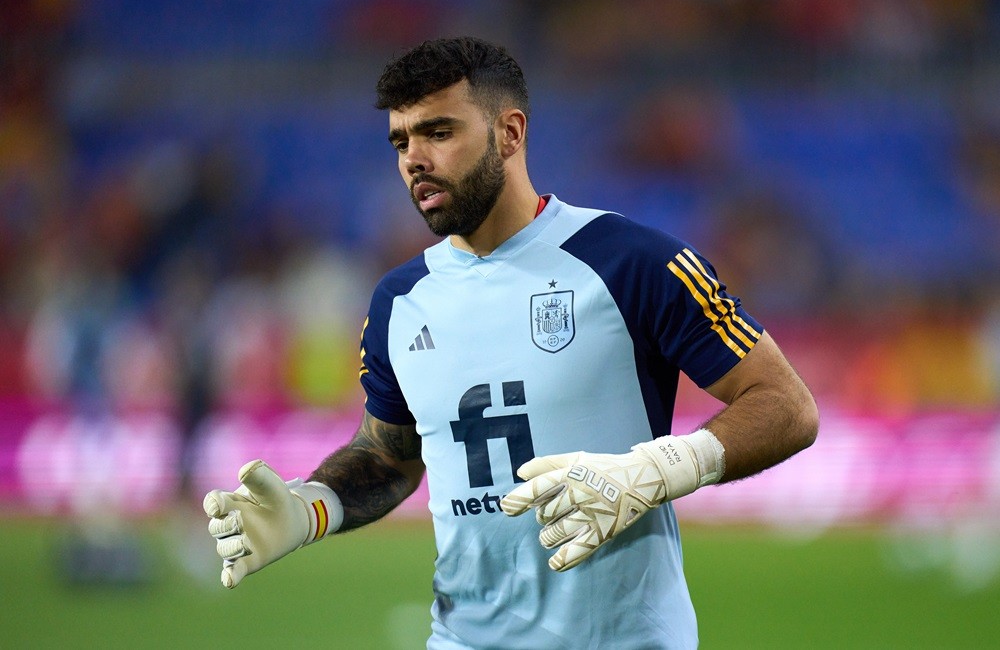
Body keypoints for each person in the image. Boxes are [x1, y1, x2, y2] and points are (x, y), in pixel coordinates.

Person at [203, 37, 819, 649]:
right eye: (401, 140)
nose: (414, 158)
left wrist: (653, 471)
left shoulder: (631, 261)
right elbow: (388, 457)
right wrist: (310, 508)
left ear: (510, 133)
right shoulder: (400, 300)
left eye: (438, 132)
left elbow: (786, 405)